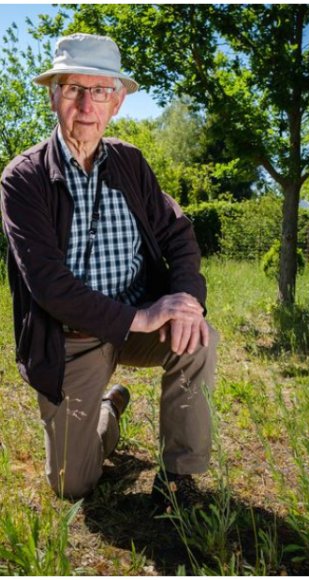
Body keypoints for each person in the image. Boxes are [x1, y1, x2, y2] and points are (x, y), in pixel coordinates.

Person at [0, 33, 218, 506]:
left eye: (100, 91)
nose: (86, 104)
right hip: (72, 340)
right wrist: (140, 318)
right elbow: (49, 286)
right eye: (74, 89)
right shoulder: (23, 178)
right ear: (54, 95)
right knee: (71, 485)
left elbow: (177, 232)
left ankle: (179, 475)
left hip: (139, 316)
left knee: (199, 337)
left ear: (116, 102)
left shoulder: (130, 162)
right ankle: (110, 407)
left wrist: (186, 301)